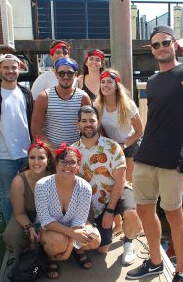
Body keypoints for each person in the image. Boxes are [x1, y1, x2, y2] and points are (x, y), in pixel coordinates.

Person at [126, 26, 183, 282]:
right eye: (155, 45)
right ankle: (155, 261)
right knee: (144, 210)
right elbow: (153, 119)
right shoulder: (153, 82)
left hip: (172, 159)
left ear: (174, 44)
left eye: (165, 42)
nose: (161, 47)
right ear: (151, 50)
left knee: (174, 215)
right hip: (146, 155)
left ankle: (181, 273)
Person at [72, 105, 142, 266]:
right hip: (90, 203)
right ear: (78, 124)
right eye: (84, 121)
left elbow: (120, 181)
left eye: (92, 120)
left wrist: (110, 210)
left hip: (115, 194)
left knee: (132, 213)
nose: (88, 124)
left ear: (98, 123)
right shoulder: (73, 151)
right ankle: (101, 234)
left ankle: (129, 244)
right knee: (102, 248)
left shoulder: (112, 147)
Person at [0, 54, 33, 224]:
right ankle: (11, 229)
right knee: (7, 194)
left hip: (28, 154)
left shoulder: (26, 92)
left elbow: (32, 123)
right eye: (6, 67)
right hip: (4, 156)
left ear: (19, 69)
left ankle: (29, 226)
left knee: (30, 192)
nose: (10, 71)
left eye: (14, 67)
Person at [35, 144, 100, 279]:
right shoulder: (42, 185)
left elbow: (79, 221)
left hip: (75, 226)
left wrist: (67, 252)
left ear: (78, 166)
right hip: (49, 228)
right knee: (59, 242)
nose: (67, 166)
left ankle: (76, 249)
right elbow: (46, 221)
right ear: (56, 164)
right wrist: (72, 236)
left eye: (72, 162)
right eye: (63, 161)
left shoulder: (85, 187)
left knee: (95, 239)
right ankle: (51, 257)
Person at [2, 137, 54, 256]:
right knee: (11, 235)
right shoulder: (19, 181)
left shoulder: (54, 178)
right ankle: (23, 253)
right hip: (26, 216)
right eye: (32, 158)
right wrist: (30, 228)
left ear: (48, 159)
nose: (36, 162)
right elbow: (19, 213)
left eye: (41, 158)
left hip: (49, 218)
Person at [31, 57, 91, 150]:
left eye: (70, 73)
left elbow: (89, 126)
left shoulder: (83, 97)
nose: (66, 77)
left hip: (77, 152)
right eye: (61, 73)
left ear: (75, 74)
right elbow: (36, 130)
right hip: (52, 153)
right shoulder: (44, 97)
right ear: (56, 74)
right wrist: (53, 152)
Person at [95, 68, 144, 183]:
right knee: (110, 182)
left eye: (109, 82)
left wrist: (124, 145)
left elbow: (140, 131)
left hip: (129, 146)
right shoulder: (97, 104)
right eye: (103, 82)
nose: (105, 85)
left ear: (116, 85)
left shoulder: (128, 106)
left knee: (127, 183)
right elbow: (97, 127)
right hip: (109, 146)